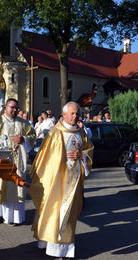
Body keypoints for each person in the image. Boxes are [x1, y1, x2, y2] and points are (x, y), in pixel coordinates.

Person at [29, 101, 93, 258]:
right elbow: (44, 157)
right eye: (72, 113)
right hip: (56, 181)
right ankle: (48, 243)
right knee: (52, 211)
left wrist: (81, 156)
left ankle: (61, 249)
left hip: (73, 182)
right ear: (64, 114)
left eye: (77, 113)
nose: (75, 116)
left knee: (68, 214)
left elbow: (89, 150)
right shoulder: (55, 132)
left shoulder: (81, 133)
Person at [0, 98, 35, 225]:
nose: (14, 110)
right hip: (1, 161)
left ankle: (14, 218)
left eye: (16, 108)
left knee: (15, 188)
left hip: (17, 161)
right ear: (5, 107)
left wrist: (23, 139)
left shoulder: (24, 123)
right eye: (11, 107)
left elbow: (33, 136)